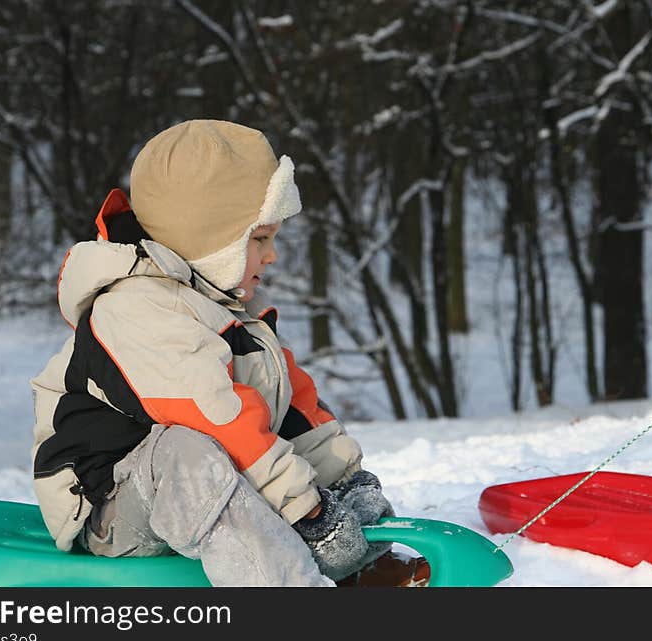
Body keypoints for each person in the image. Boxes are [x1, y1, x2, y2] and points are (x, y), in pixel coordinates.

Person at [30, 119, 394, 586]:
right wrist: (309, 513)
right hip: (107, 505)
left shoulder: (232, 312)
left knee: (235, 458)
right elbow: (219, 419)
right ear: (210, 241)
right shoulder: (138, 307)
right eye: (259, 239)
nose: (273, 256)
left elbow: (291, 411)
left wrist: (344, 481)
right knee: (191, 451)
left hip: (197, 490)